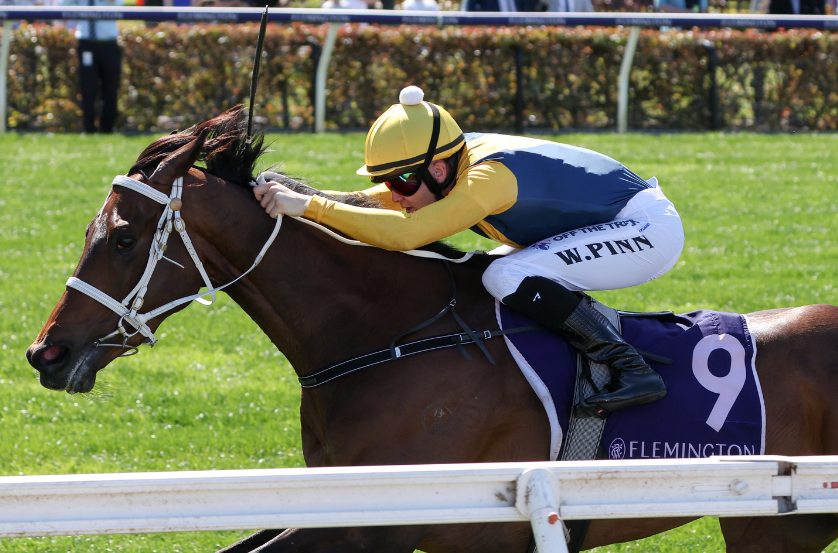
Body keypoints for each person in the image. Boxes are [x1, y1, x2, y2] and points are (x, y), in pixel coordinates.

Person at [254, 86, 685, 418]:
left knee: (504, 276)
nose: (394, 194)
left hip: (646, 231)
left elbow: (410, 232)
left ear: (437, 169)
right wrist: (301, 193)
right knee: (495, 271)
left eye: (401, 181)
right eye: (389, 181)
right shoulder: (451, 158)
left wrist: (310, 206)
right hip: (612, 219)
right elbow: (377, 202)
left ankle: (633, 370)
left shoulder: (488, 177)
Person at [60, 0, 123, 133]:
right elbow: (63, 9)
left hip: (109, 44)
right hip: (87, 44)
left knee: (111, 89)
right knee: (87, 89)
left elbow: (119, 5)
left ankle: (107, 129)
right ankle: (88, 129)